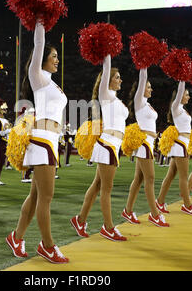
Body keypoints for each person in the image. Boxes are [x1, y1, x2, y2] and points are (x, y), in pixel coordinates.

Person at [6, 20, 69, 264]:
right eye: (53, 56)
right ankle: (48, 246)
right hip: (41, 141)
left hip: (51, 141)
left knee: (35, 197)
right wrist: (41, 19)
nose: (57, 59)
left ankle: (16, 236)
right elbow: (39, 41)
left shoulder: (52, 83)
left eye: (57, 56)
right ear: (41, 58)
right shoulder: (38, 76)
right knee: (46, 198)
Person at [71, 54, 129, 242]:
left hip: (112, 145)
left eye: (120, 77)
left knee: (97, 186)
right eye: (117, 77)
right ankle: (108, 227)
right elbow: (106, 69)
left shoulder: (115, 99)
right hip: (108, 145)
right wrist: (107, 53)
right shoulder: (105, 95)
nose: (121, 79)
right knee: (106, 189)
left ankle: (80, 220)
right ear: (108, 80)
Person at [122, 68, 169, 227]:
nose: (150, 89)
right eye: (148, 87)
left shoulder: (147, 105)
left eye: (150, 87)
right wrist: (144, 65)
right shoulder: (139, 101)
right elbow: (143, 78)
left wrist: (152, 133)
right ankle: (155, 214)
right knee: (150, 178)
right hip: (143, 145)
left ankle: (127, 210)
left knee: (139, 179)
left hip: (147, 143)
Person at [156, 81, 192, 216]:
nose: (188, 97)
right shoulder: (176, 107)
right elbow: (180, 89)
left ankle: (160, 201)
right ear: (180, 96)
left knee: (171, 175)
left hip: (182, 144)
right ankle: (187, 205)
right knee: (183, 177)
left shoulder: (182, 109)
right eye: (186, 94)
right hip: (180, 144)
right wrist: (182, 78)